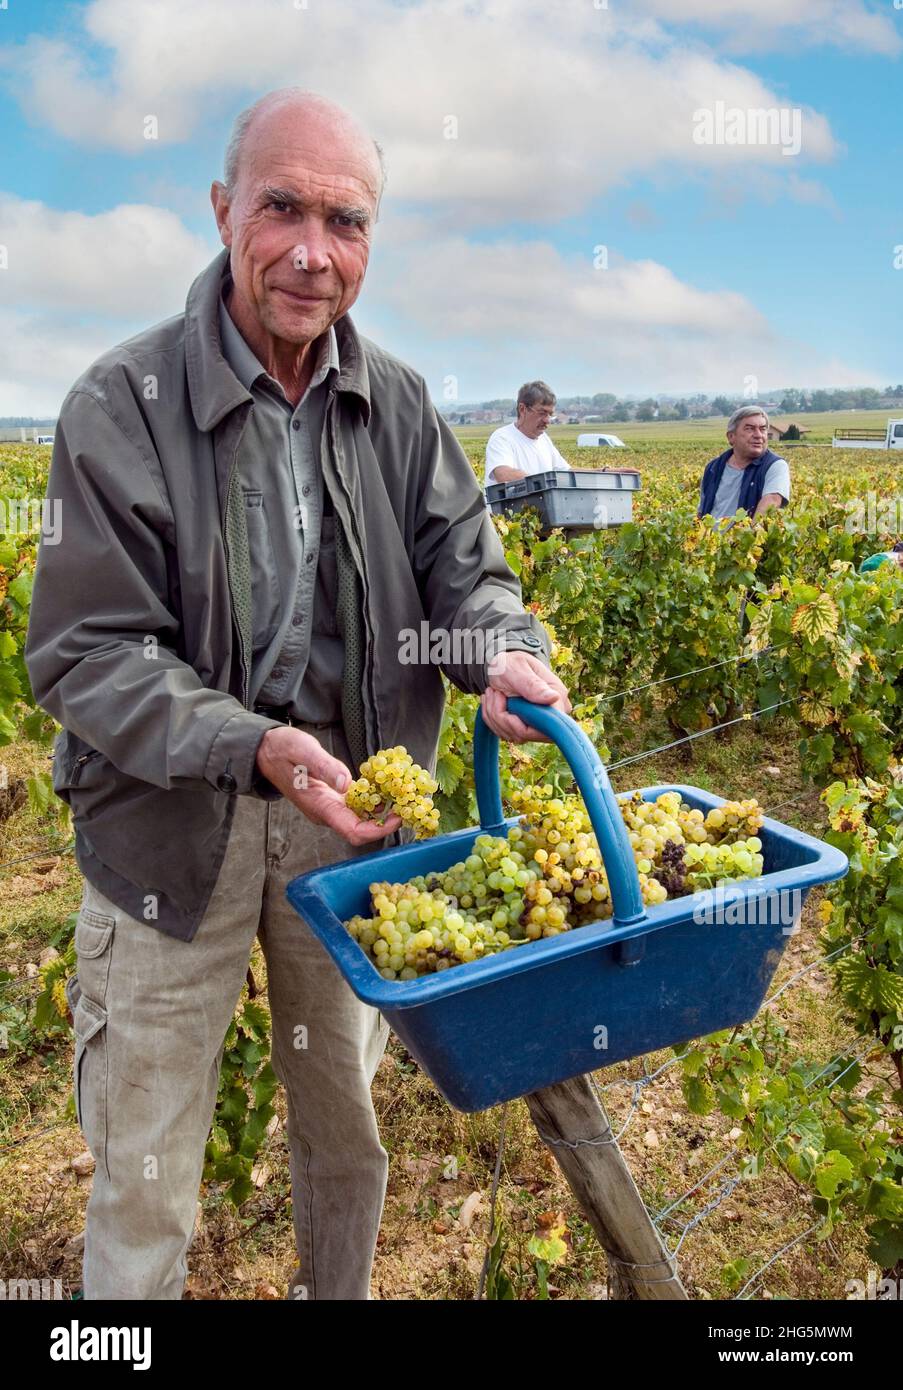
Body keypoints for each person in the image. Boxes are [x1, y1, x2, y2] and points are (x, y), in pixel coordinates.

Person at [23, 88, 571, 1302]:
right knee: (145, 1175)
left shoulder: (401, 404)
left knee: (347, 1138)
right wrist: (251, 743)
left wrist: (498, 654)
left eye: (348, 220)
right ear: (222, 210)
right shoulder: (123, 406)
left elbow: (465, 574)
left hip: (351, 835)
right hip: (168, 832)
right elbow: (86, 651)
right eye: (283, 208)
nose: (314, 253)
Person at [697, 406, 791, 522]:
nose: (758, 435)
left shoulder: (775, 466)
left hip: (746, 539)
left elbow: (771, 501)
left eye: (762, 429)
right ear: (731, 437)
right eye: (749, 429)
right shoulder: (713, 468)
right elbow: (702, 511)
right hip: (710, 539)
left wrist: (747, 536)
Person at [484, 381, 572, 486]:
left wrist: (595, 474)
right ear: (522, 409)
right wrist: (543, 483)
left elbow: (565, 472)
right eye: (542, 413)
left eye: (550, 414)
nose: (547, 420)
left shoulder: (544, 440)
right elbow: (503, 474)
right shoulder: (502, 438)